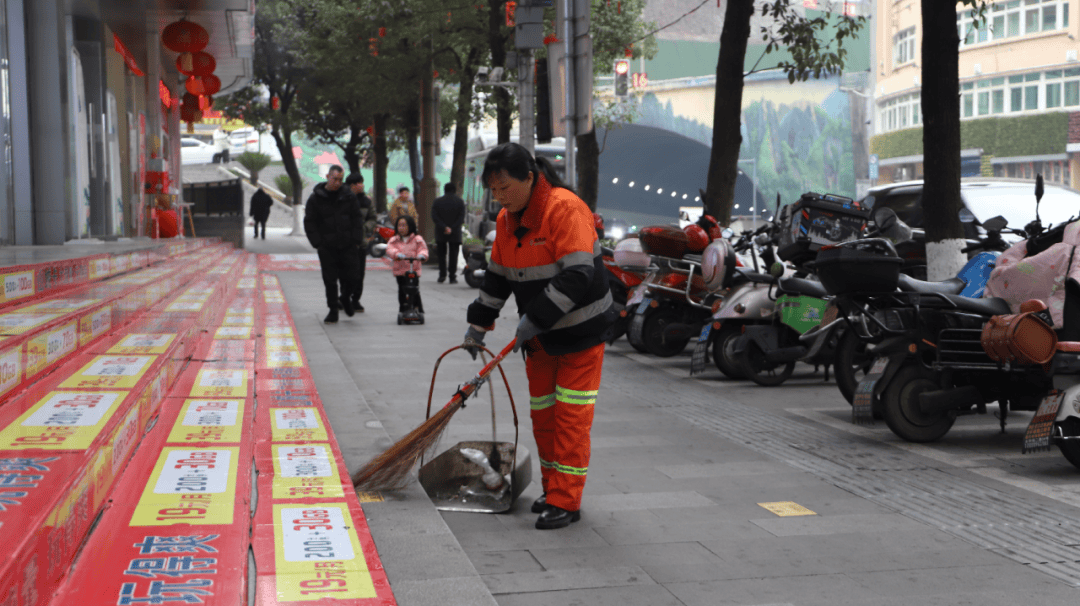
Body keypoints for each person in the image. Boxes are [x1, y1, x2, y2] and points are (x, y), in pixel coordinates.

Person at [462, 142, 615, 530]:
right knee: (544, 416)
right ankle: (553, 490)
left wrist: (537, 316)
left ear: (530, 178)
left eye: (505, 188)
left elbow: (578, 274)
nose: (500, 197)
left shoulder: (564, 209)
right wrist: (478, 324)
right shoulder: (505, 221)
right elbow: (498, 277)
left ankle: (567, 500)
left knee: (570, 418)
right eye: (493, 191)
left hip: (581, 335)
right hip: (541, 340)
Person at [303, 165, 364, 324]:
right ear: (327, 176)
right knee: (330, 280)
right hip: (327, 247)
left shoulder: (349, 196)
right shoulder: (316, 198)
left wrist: (356, 240)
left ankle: (345, 298)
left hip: (348, 245)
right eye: (334, 178)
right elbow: (309, 222)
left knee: (354, 276)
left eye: (340, 180)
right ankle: (333, 310)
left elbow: (357, 219)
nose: (337, 182)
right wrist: (317, 243)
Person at [346, 172, 376, 312]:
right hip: (345, 243)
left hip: (361, 243)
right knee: (345, 272)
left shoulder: (366, 201)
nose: (362, 185)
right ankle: (344, 296)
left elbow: (372, 218)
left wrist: (365, 228)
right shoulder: (342, 199)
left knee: (359, 273)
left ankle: (356, 300)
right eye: (360, 183)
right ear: (353, 185)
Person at [385, 215, 428, 313]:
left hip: (413, 269)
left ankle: (417, 307)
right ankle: (403, 307)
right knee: (402, 289)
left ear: (410, 226)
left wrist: (422, 255)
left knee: (414, 289)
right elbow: (389, 249)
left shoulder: (417, 239)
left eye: (404, 225)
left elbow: (423, 249)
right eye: (399, 225)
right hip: (400, 270)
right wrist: (396, 254)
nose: (401, 228)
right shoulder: (394, 240)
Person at [432, 182, 466, 284]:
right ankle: (452, 276)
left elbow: (434, 217)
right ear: (454, 190)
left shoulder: (437, 202)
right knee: (453, 254)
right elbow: (461, 218)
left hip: (440, 231)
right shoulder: (460, 202)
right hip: (455, 232)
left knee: (441, 254)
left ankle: (442, 275)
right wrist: (452, 228)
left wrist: (444, 227)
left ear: (444, 189)